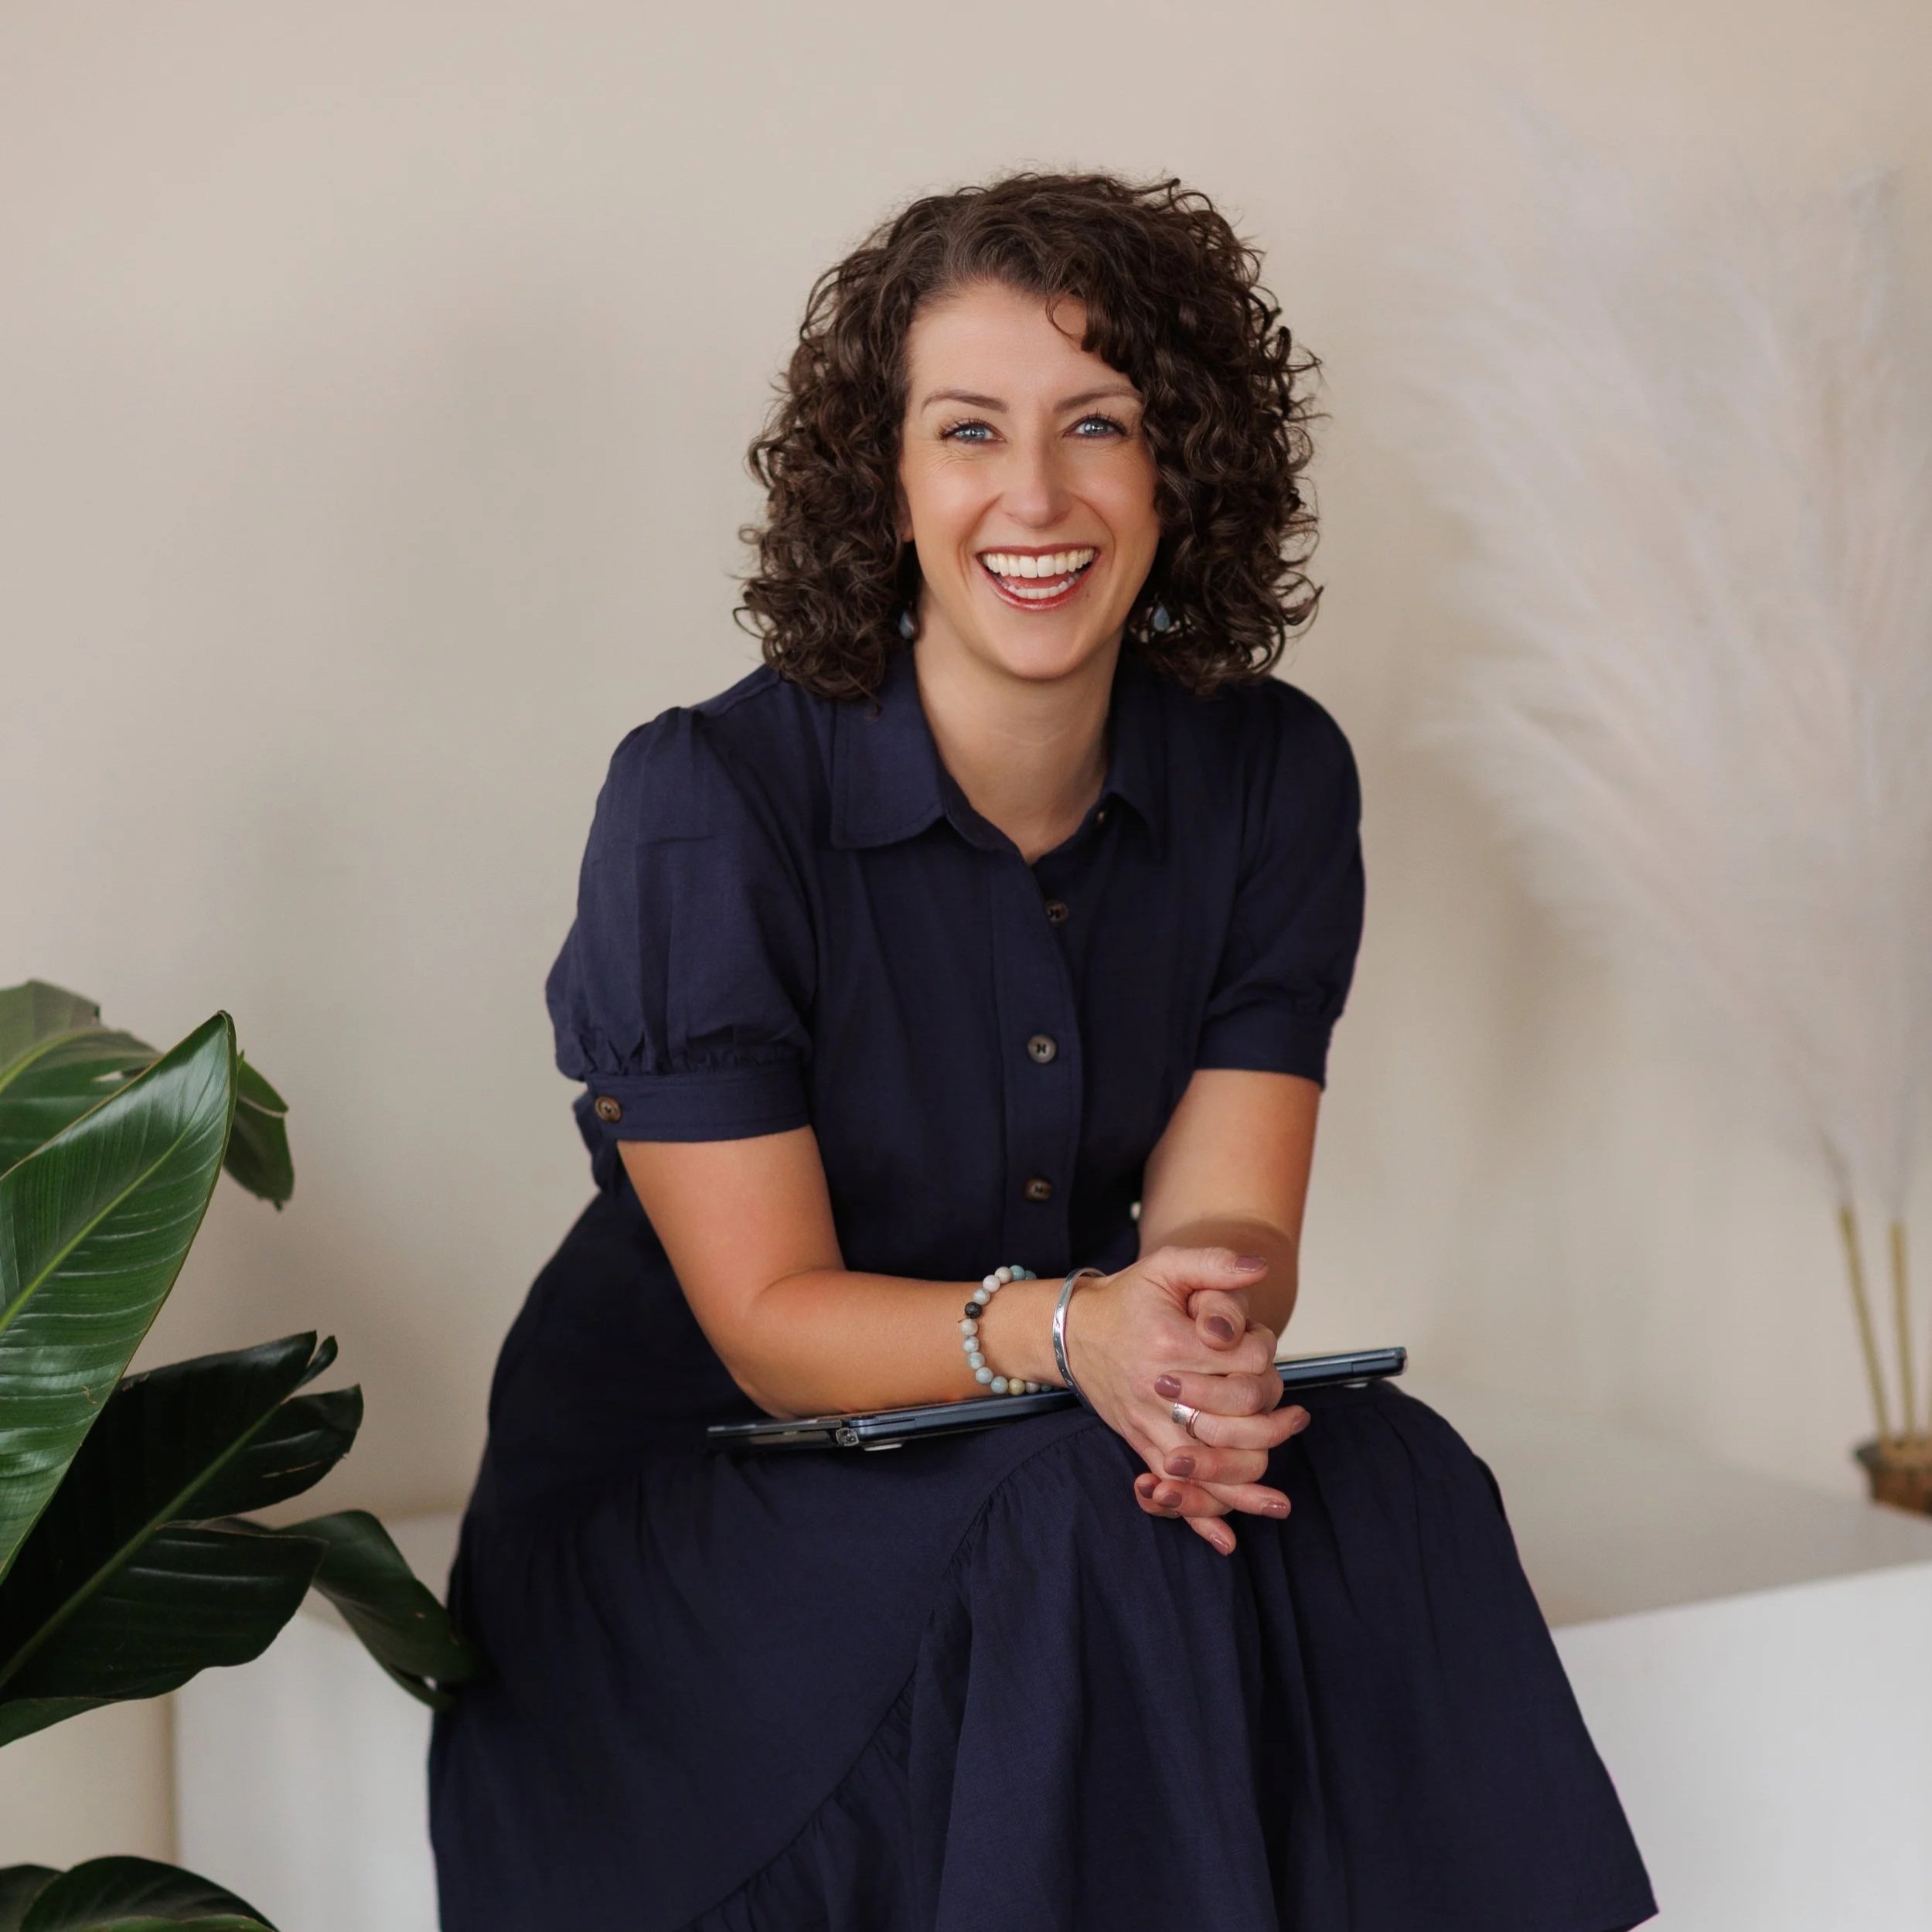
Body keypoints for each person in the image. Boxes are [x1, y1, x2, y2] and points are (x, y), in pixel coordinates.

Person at [428, 170, 1658, 1932]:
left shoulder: (1269, 777)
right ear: (887, 478)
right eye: (966, 430)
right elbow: (771, 1330)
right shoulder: (709, 805)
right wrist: (1079, 1330)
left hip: (1039, 1416)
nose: (1035, 492)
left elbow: (1227, 1227)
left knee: (1386, 1471)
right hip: (699, 1492)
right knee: (1083, 1514)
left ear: (1182, 468)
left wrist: (1200, 1341)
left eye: (1098, 423)